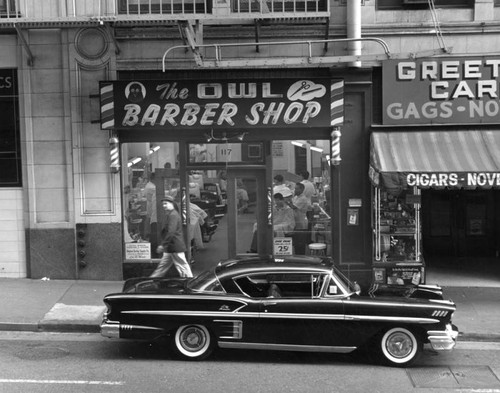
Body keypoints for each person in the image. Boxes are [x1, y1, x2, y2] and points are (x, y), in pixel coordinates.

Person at [150, 196, 193, 278]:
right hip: (171, 247)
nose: (164, 206)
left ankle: (190, 282)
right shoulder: (172, 214)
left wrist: (163, 245)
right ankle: (152, 280)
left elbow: (171, 232)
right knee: (163, 267)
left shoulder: (173, 215)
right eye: (163, 204)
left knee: (183, 266)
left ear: (172, 204)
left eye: (166, 203)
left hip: (175, 246)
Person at [289, 182, 311, 254]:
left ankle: (302, 258)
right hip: (295, 222)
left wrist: (285, 201)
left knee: (301, 243)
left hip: (301, 223)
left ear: (302, 189)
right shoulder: (295, 197)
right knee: (296, 243)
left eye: (297, 189)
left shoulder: (303, 199)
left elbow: (293, 207)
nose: (295, 190)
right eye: (295, 188)